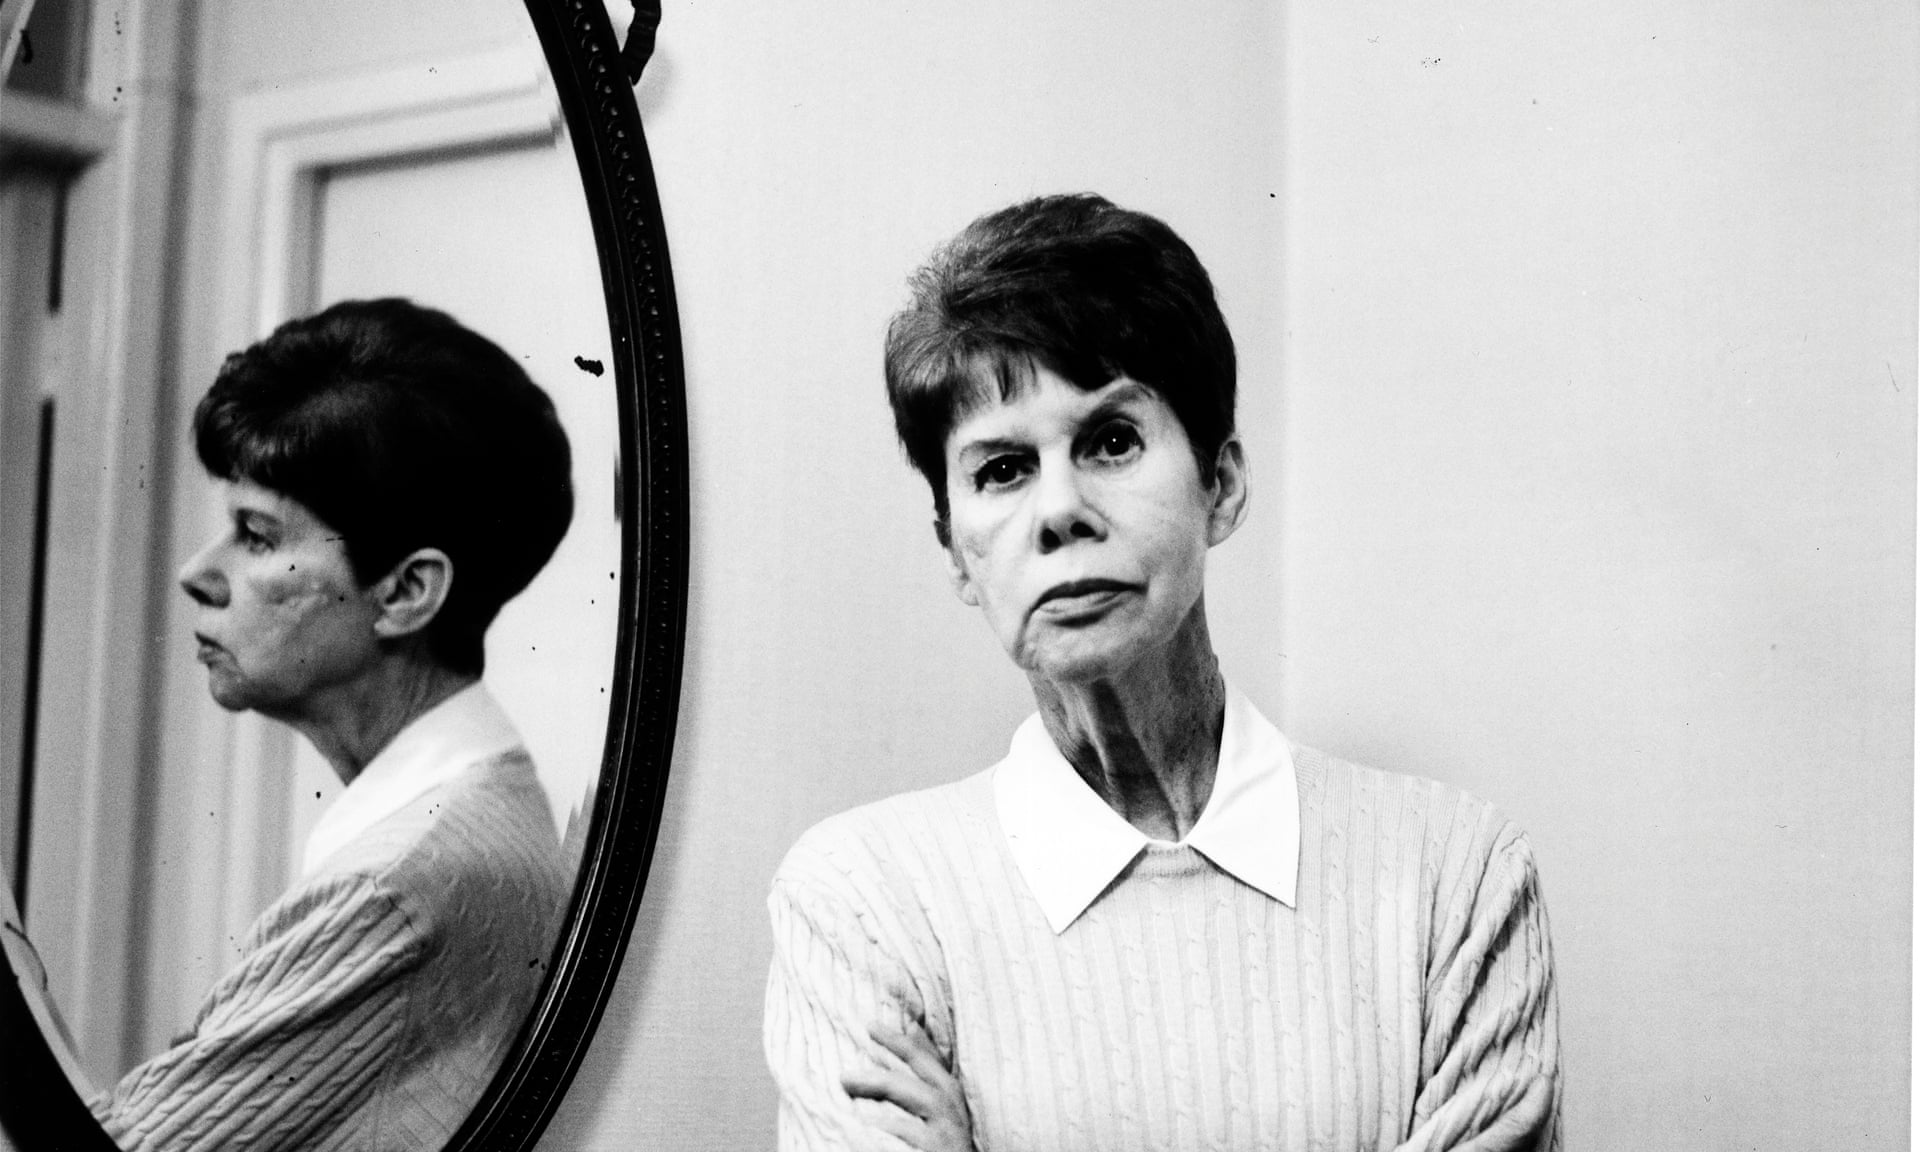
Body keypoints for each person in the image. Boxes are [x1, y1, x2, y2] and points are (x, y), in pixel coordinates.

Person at [764, 194, 1561, 1151]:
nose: (1059, 511)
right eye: (1003, 469)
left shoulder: (1458, 883)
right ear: (954, 550)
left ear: (1220, 486)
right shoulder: (863, 906)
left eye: (1110, 441)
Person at [98, 298, 576, 1152]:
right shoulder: (468, 814)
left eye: (255, 533)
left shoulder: (395, 885)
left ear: (404, 593)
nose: (196, 573)